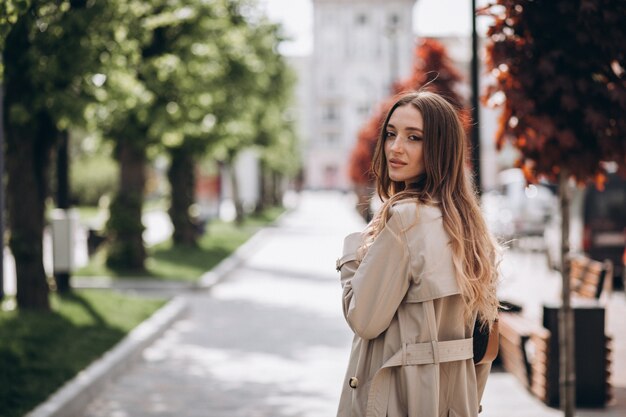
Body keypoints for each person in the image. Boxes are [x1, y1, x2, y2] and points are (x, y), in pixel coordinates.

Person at [336, 91, 500, 417]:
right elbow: (483, 348)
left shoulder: (405, 219)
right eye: (391, 134)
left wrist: (354, 251)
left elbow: (364, 319)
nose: (396, 147)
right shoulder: (471, 229)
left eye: (414, 138)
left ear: (439, 148)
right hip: (454, 403)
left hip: (397, 401)